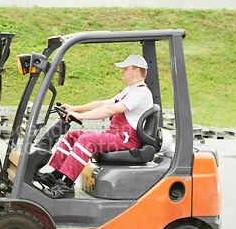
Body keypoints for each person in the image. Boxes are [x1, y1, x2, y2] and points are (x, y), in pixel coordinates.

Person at [37, 55, 154, 199]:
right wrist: (74, 108)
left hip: (127, 140)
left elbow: (110, 110)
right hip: (117, 135)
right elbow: (103, 104)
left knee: (86, 139)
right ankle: (55, 175)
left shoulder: (140, 93)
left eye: (125, 68)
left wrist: (81, 116)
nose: (122, 71)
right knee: (74, 135)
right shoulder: (129, 91)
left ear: (136, 71)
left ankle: (66, 185)